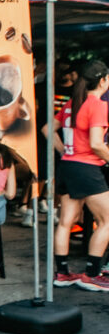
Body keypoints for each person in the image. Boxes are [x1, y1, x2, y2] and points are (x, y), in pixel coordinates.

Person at [47, 61, 109, 291]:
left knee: (65, 222)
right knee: (107, 221)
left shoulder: (73, 103)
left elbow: (47, 130)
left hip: (68, 166)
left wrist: (66, 151)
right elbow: (96, 144)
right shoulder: (97, 105)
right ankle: (91, 275)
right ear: (102, 80)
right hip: (87, 169)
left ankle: (62, 274)